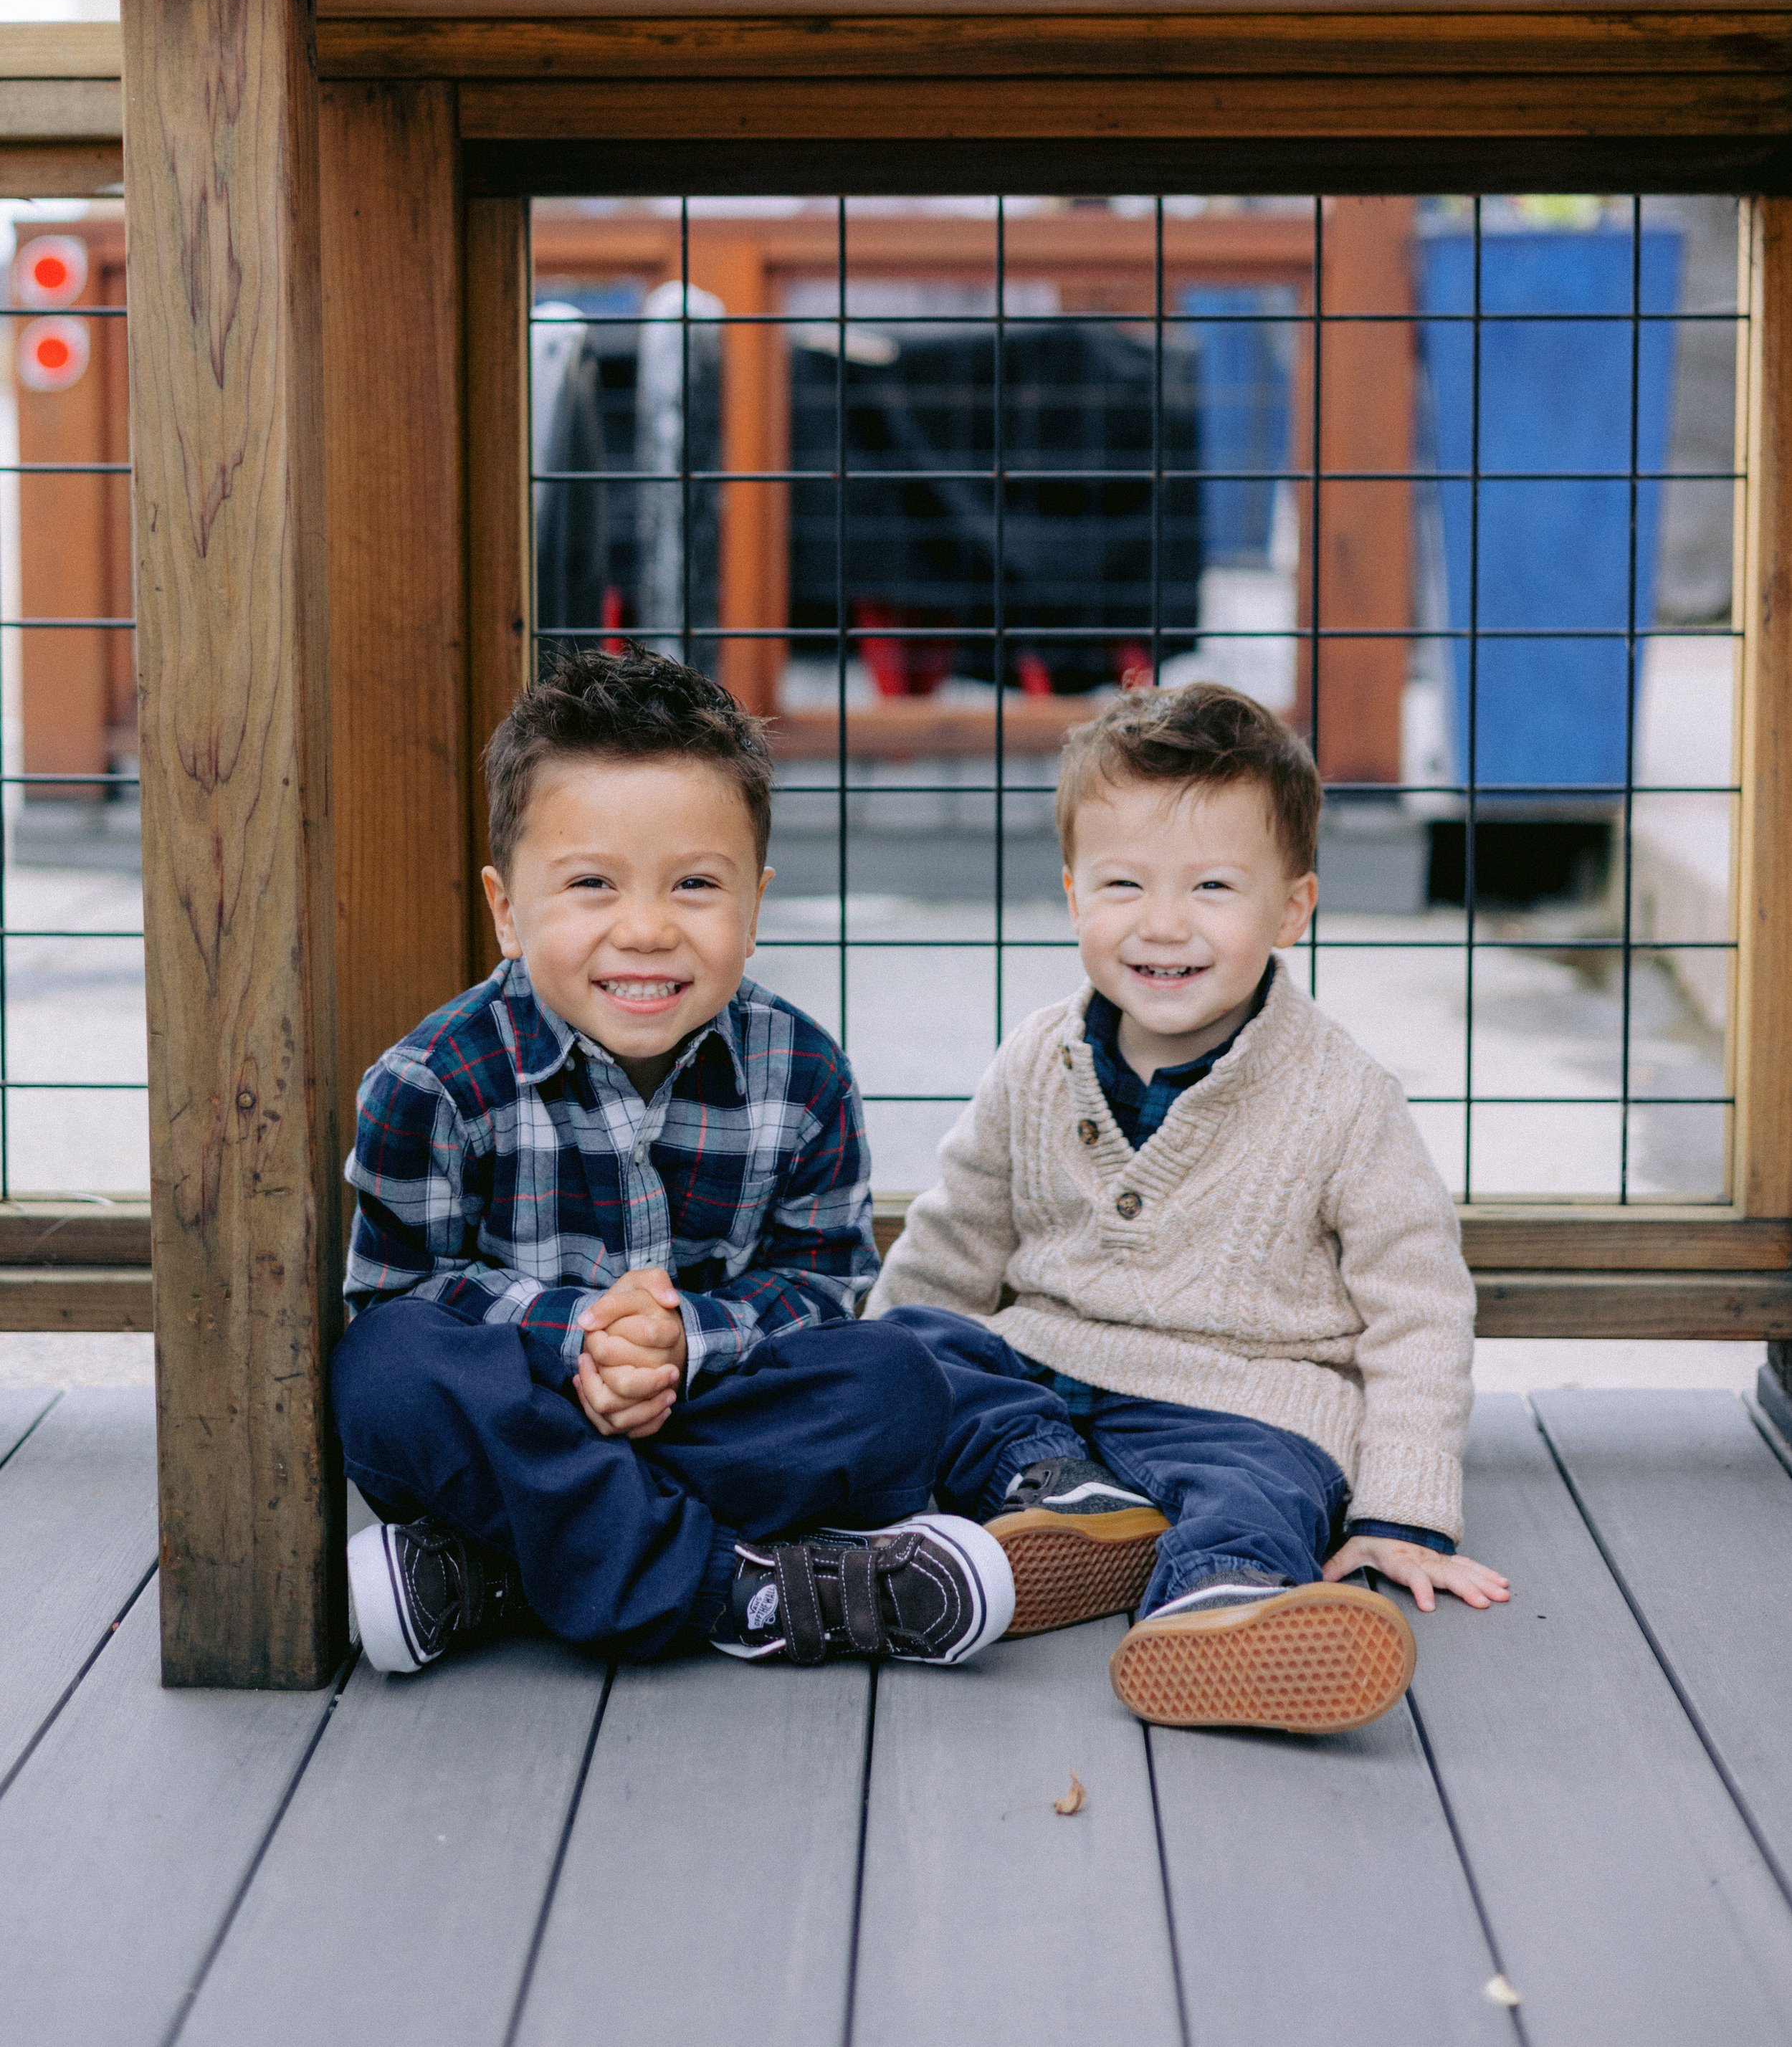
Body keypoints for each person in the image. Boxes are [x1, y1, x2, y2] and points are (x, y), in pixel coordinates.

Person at [333, 644, 1012, 1677]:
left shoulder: (803, 1072)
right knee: (385, 1376)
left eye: (695, 883)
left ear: (755, 899)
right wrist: (579, 1342)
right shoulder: (430, 1081)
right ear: (506, 908)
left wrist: (683, 1342)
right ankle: (738, 1592)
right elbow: (398, 1295)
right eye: (592, 883)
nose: (645, 928)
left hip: (706, 1409)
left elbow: (823, 1286)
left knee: (900, 1382)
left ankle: (496, 1572)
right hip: (520, 1412)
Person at [868, 680, 1507, 1735]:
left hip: (1239, 1395)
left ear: (1292, 906)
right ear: (1074, 893)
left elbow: (1418, 1309)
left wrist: (1403, 1506)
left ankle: (1224, 1603)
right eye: (1124, 883)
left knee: (1266, 1482)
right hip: (1044, 1380)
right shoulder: (1037, 1059)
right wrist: (886, 1377)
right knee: (913, 1353)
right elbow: (952, 1240)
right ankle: (1060, 1501)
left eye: (1213, 885)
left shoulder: (1343, 1096)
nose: (1163, 924)